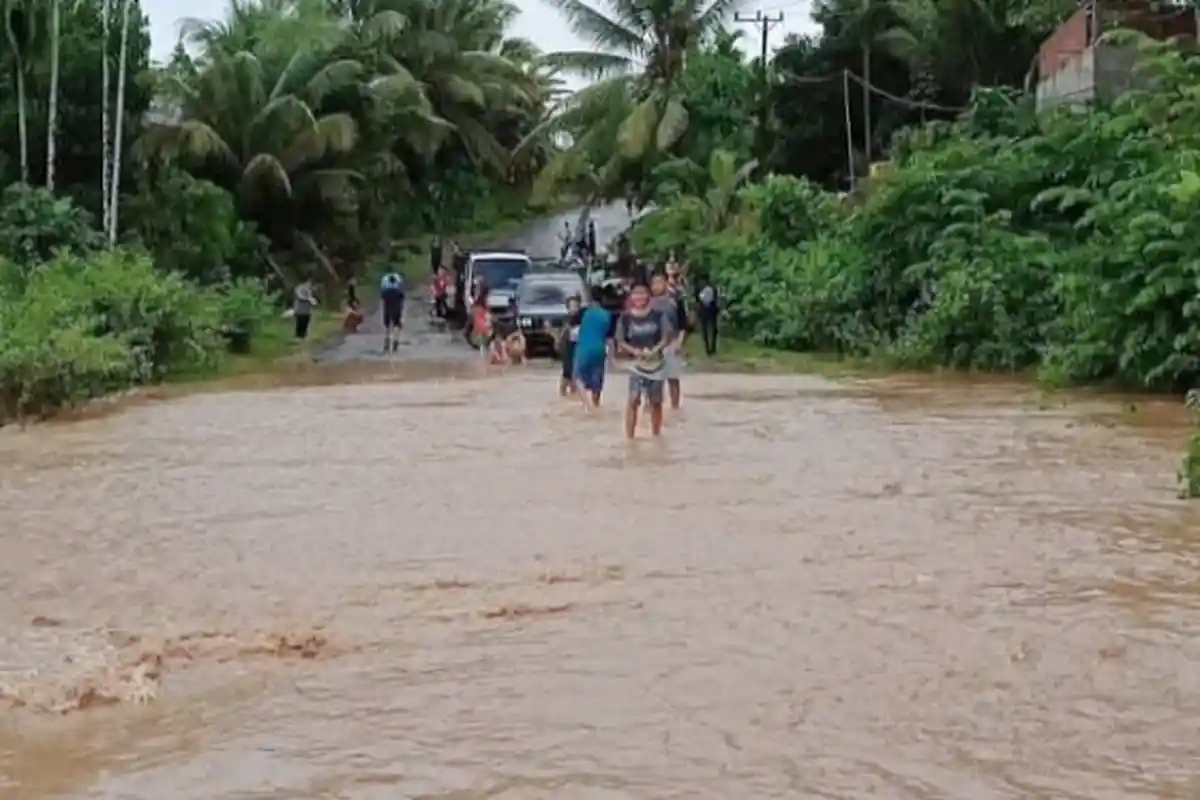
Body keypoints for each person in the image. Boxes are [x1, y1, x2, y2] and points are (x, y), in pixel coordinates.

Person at [616, 282, 669, 437]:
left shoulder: (658, 315)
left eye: (643, 293)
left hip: (656, 363)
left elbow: (666, 337)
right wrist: (635, 351)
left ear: (649, 297)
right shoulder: (625, 317)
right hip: (635, 364)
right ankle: (630, 437)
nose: (639, 297)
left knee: (656, 402)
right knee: (633, 399)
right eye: (636, 294)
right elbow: (620, 340)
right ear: (631, 297)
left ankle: (656, 435)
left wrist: (655, 350)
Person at [650, 271, 689, 410]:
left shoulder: (675, 301)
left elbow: (683, 324)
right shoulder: (648, 303)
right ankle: (653, 406)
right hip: (653, 345)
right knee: (653, 379)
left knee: (673, 378)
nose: (656, 287)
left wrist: (680, 341)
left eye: (659, 283)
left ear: (666, 283)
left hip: (671, 344)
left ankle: (675, 406)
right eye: (653, 284)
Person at [574, 295, 612, 409]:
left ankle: (587, 405)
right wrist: (612, 357)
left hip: (584, 348)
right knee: (597, 380)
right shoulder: (607, 315)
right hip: (600, 349)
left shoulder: (584, 313)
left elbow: (572, 327)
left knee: (577, 377)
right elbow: (609, 338)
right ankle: (596, 403)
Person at [557, 295, 584, 397]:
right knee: (567, 372)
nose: (573, 308)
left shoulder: (582, 319)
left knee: (577, 372)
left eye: (576, 306)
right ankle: (562, 393)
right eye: (571, 306)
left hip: (579, 346)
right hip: (567, 347)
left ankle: (574, 393)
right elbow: (560, 336)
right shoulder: (565, 320)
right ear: (567, 308)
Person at [379, 270, 406, 352]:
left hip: (387, 311)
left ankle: (387, 343)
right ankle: (395, 342)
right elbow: (402, 298)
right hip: (397, 310)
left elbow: (382, 297)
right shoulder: (398, 292)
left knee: (387, 327)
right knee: (397, 326)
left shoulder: (385, 292)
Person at [695, 273, 719, 355]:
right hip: (704, 311)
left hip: (711, 310)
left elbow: (715, 300)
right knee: (705, 329)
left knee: (713, 329)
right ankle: (708, 348)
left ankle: (712, 347)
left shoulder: (712, 289)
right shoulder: (699, 290)